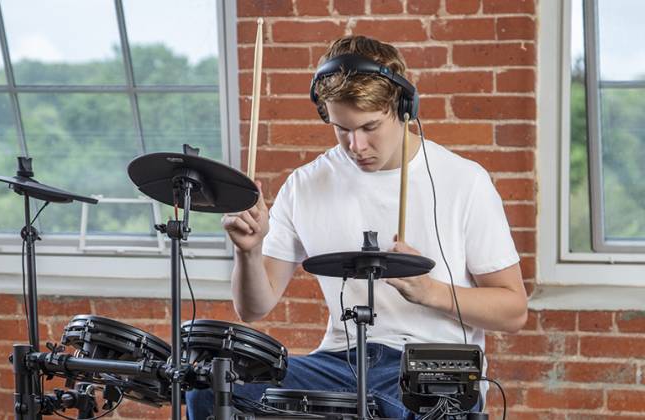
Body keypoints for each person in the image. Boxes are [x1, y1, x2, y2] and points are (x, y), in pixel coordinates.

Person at [186, 35, 528, 419]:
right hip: (339, 362)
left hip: (425, 369)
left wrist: (431, 291)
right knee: (212, 388)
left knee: (384, 411)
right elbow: (254, 307)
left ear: (401, 108)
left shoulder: (465, 181)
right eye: (342, 129)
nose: (356, 145)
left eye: (369, 127)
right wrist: (247, 252)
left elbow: (514, 311)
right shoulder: (305, 184)